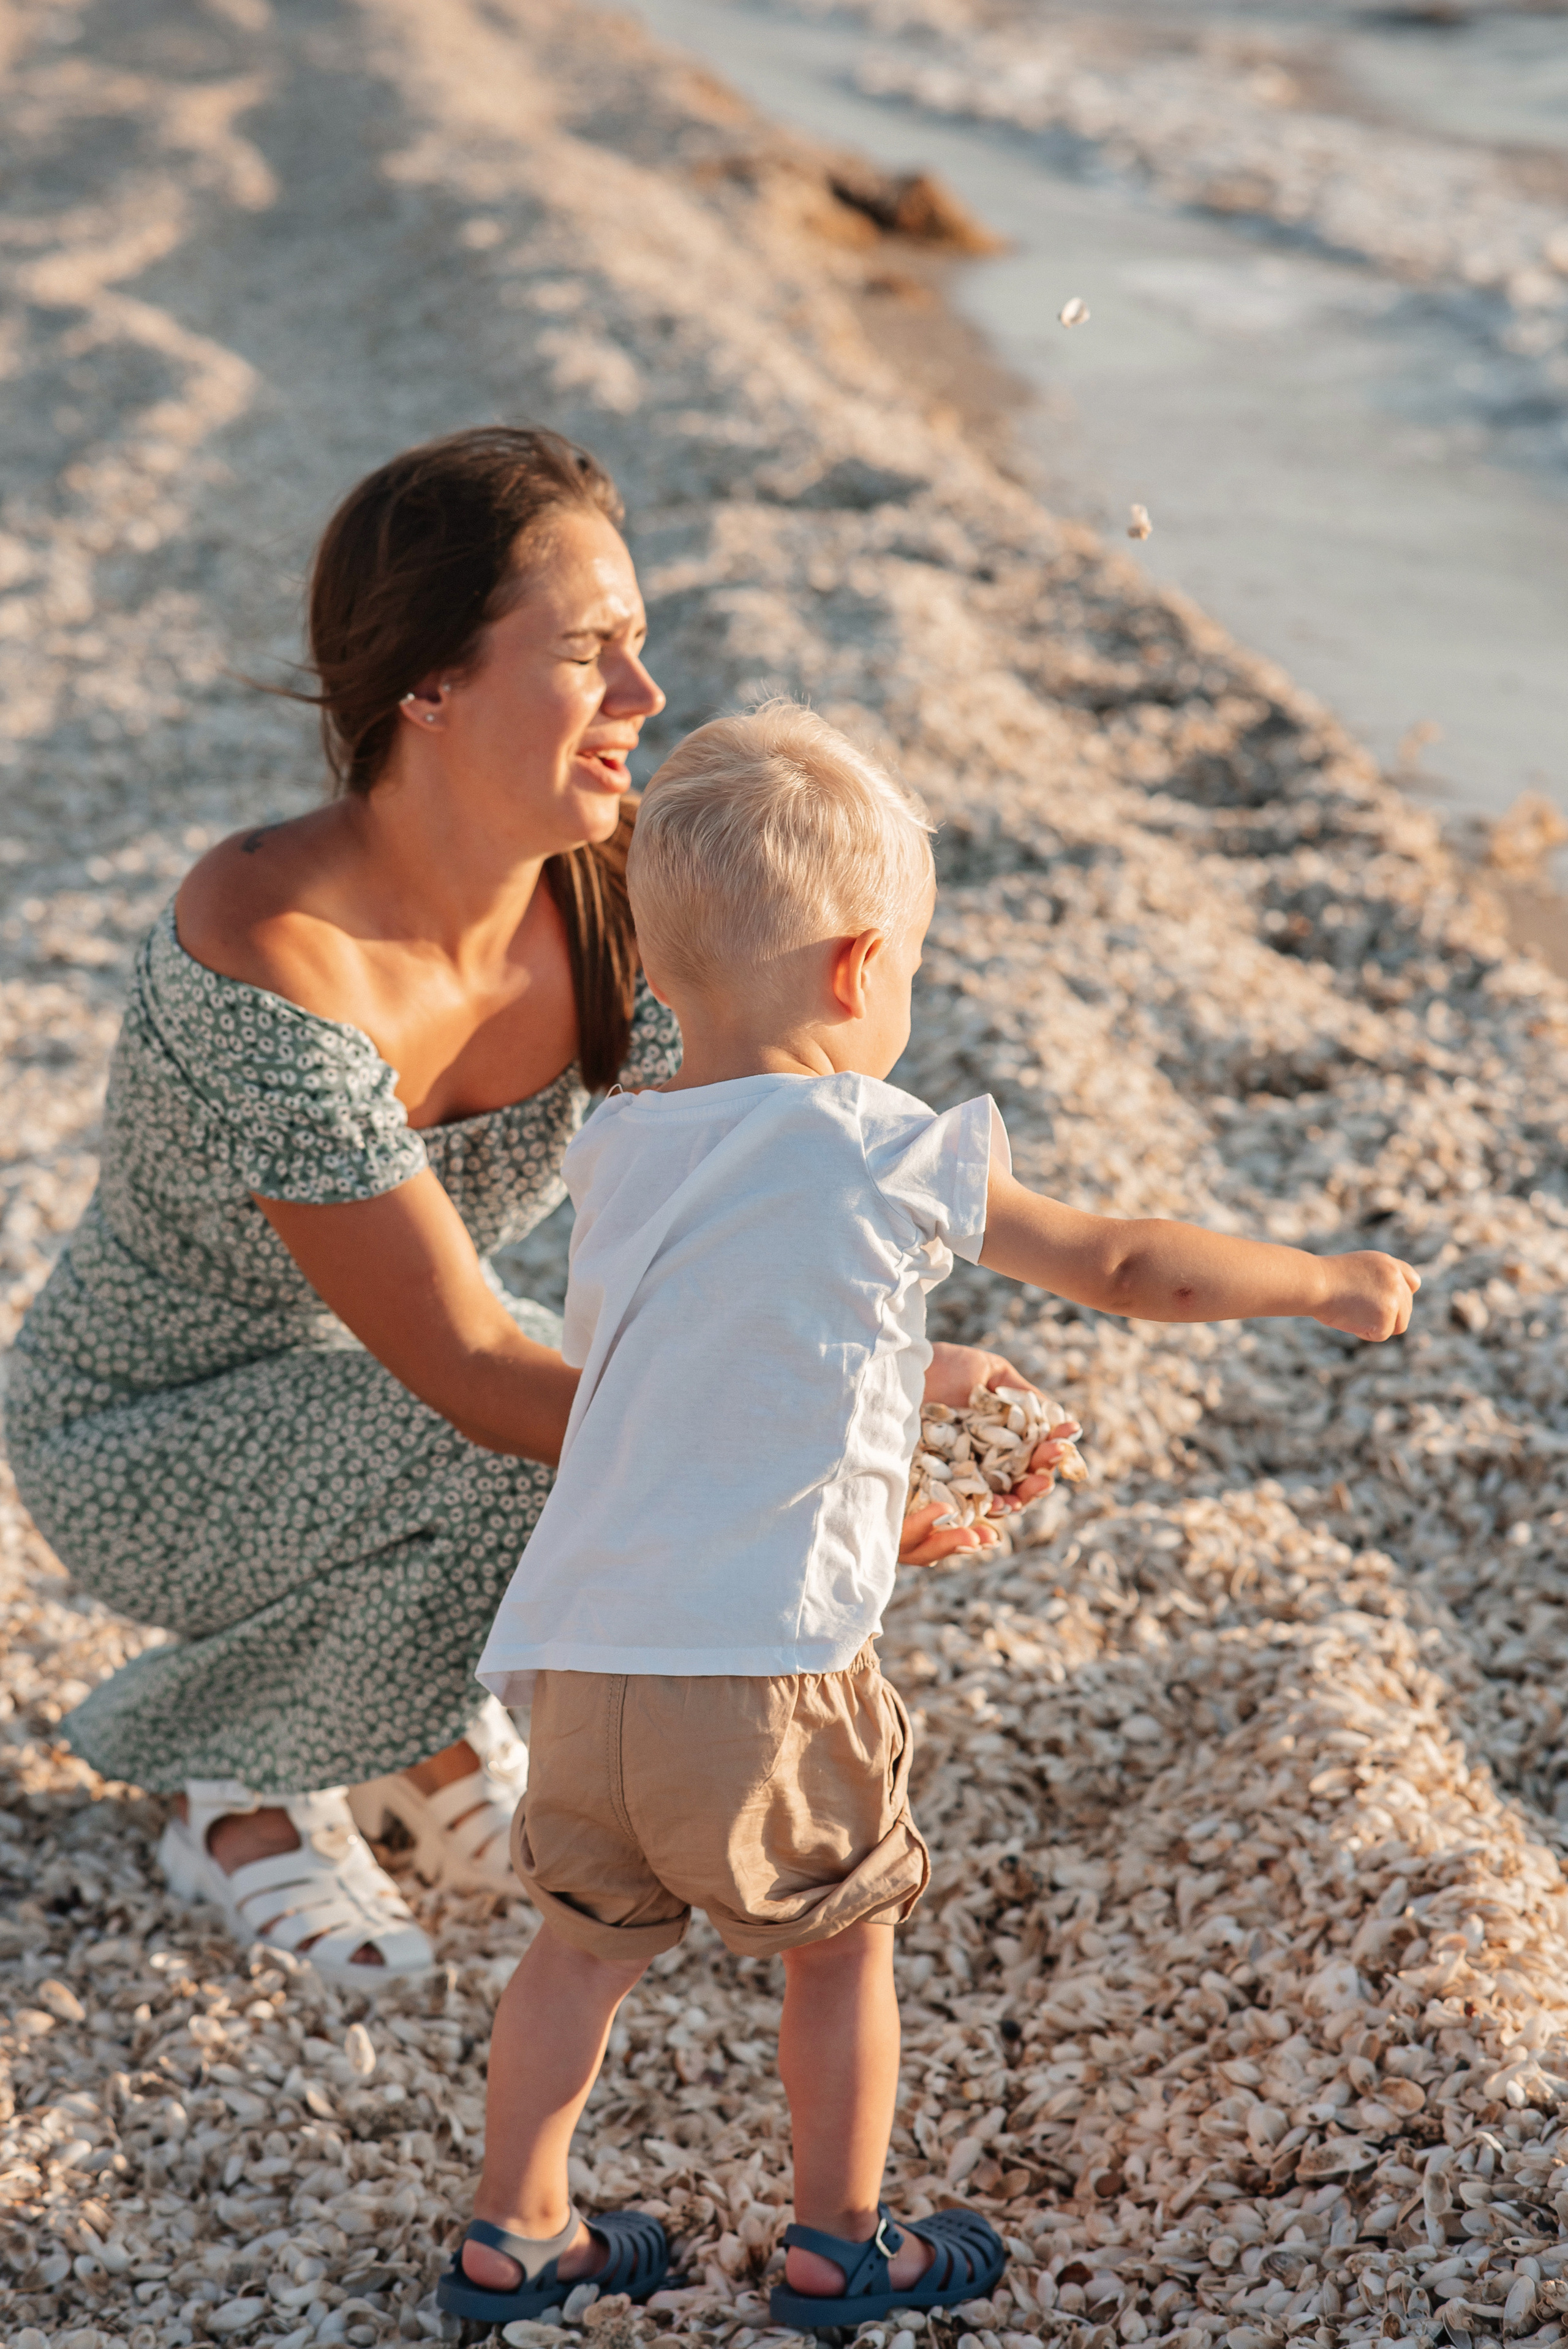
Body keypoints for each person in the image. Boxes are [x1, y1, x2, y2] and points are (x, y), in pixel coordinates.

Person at [6, 429, 1041, 1986]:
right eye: (586, 653)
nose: (643, 697)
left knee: (592, 1396)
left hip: (364, 1400)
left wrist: (892, 1364)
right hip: (147, 1423)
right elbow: (475, 1376)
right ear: (427, 684)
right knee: (543, 1437)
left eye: (638, 645)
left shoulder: (614, 882)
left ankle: (408, 1740)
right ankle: (235, 1786)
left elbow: (766, 1149)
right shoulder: (270, 958)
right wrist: (839, 1445)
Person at [437, 699, 1420, 2332]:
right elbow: (1124, 1264)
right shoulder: (885, 1147)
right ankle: (839, 2239)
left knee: (579, 1953)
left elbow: (687, 1371)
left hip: (578, 1662)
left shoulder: (625, 1151)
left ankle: (513, 2232)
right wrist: (1325, 1281)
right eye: (908, 974)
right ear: (854, 970)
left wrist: (907, 1362)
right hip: (764, 1665)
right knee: (838, 1942)